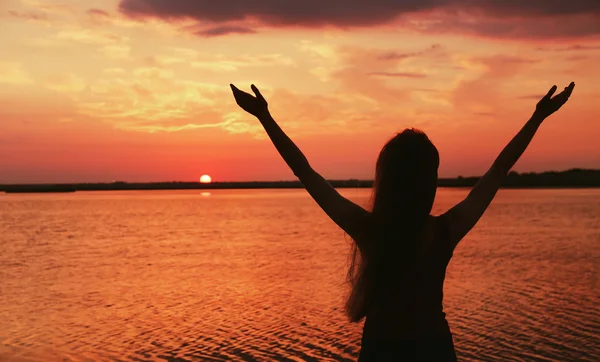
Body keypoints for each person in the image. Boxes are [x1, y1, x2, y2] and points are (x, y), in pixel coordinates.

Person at [230, 81, 575, 361]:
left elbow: (305, 172)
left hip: (383, 350)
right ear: (429, 180)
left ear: (386, 177)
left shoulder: (369, 230)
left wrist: (264, 117)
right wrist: (537, 117)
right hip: (434, 349)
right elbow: (498, 171)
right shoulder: (445, 230)